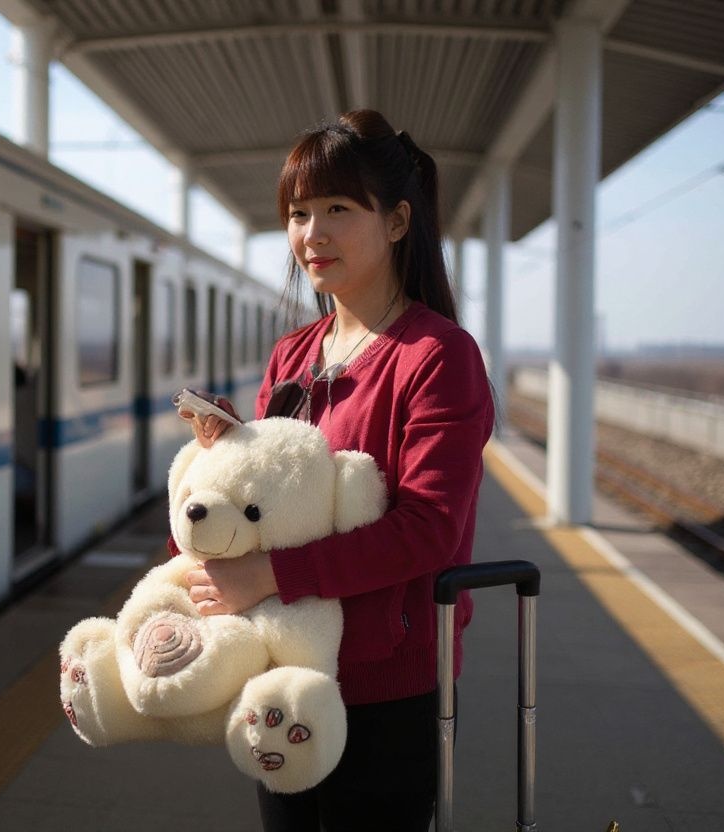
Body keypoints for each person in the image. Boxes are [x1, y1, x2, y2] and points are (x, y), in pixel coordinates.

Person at [177, 110, 494, 831]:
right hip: (282, 673)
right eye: (298, 214)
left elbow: (427, 532)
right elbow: (262, 503)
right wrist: (214, 467)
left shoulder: (437, 357)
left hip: (387, 691)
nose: (311, 234)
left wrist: (267, 577)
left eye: (338, 210)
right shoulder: (293, 355)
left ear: (397, 221)